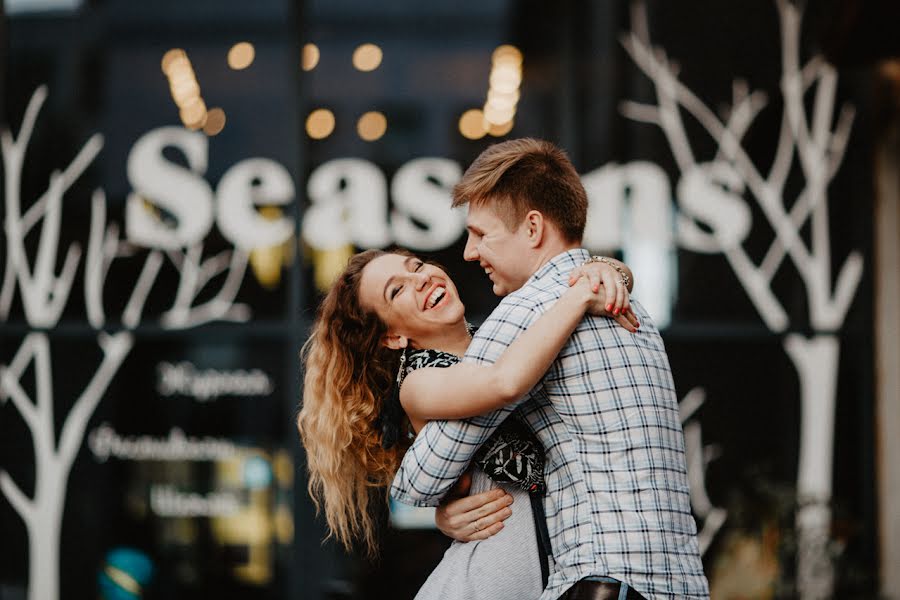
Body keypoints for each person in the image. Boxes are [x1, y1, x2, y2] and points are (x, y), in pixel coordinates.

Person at [390, 138, 710, 600]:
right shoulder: (630, 304)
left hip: (605, 580)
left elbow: (421, 479)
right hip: (680, 584)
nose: (468, 252)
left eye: (482, 234)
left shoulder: (526, 312)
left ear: (533, 228)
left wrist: (438, 506)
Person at [298, 248, 638, 600]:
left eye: (416, 266)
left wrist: (606, 268)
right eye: (396, 290)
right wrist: (581, 293)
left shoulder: (500, 336)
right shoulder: (418, 385)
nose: (420, 279)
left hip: (554, 572)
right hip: (482, 583)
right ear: (392, 337)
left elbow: (616, 278)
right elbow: (503, 384)